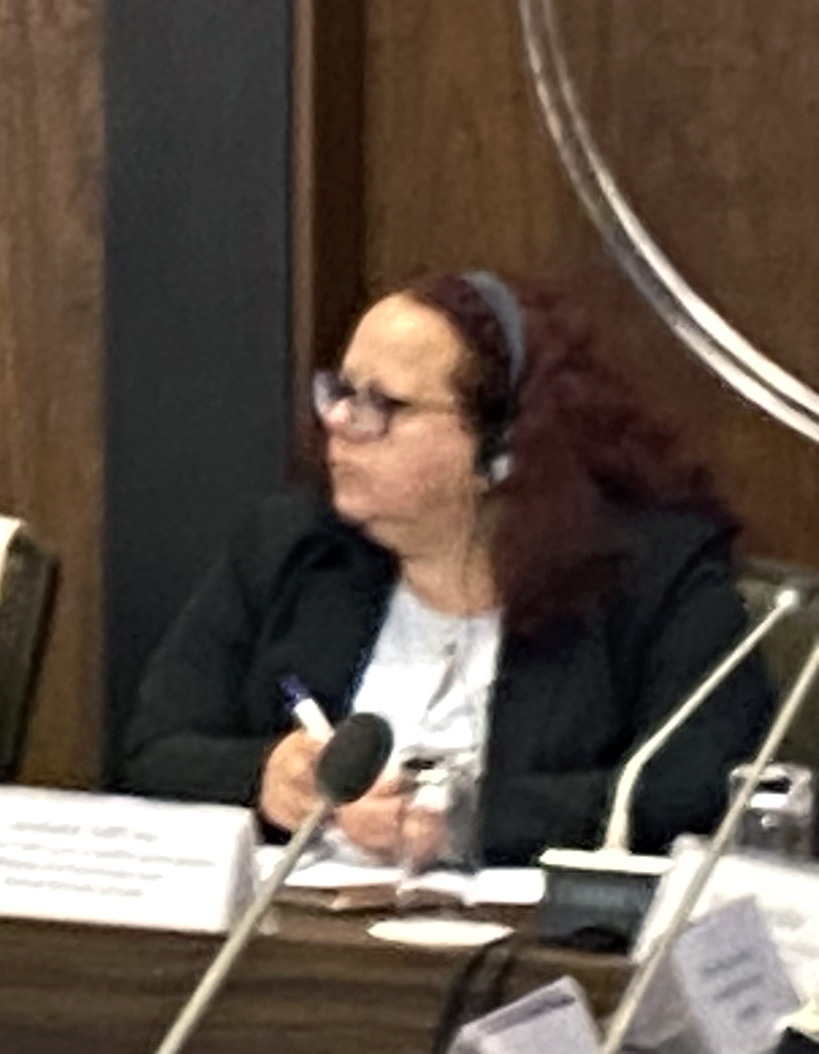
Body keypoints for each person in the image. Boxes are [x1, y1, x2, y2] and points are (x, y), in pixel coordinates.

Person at [119, 271, 766, 865]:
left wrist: (460, 822)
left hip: (534, 946)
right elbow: (153, 750)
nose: (339, 421)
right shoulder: (291, 549)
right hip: (302, 938)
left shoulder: (654, 578)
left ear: (500, 444)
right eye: (339, 392)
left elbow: (697, 791)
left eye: (382, 403)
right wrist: (264, 778)